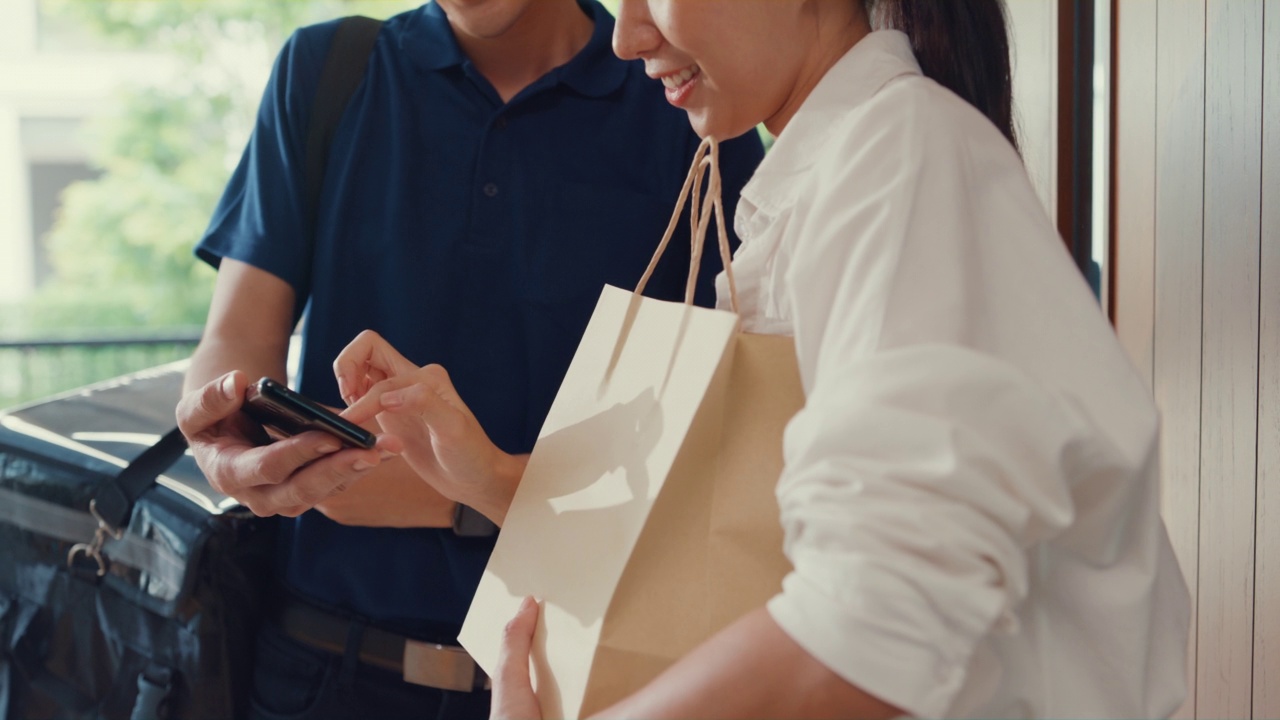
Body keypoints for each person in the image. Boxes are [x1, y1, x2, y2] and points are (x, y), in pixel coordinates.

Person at [336, 0, 1192, 717]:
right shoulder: (829, 184)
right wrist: (491, 477)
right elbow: (749, 537)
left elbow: (874, 628)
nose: (629, 35)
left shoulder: (899, 160)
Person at [173, 0, 764, 717]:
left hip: (575, 679)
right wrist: (224, 447)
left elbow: (736, 440)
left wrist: (456, 500)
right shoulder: (328, 71)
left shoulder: (685, 96)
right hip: (319, 671)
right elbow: (234, 337)